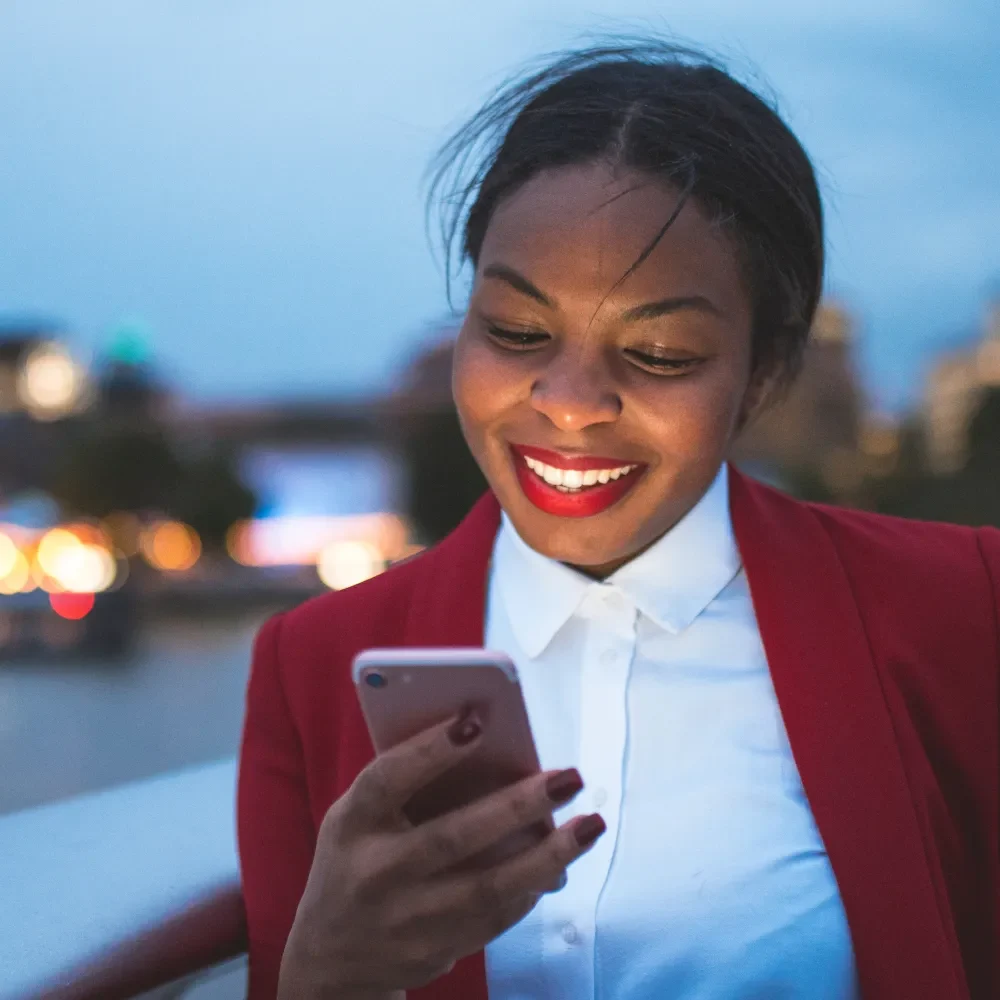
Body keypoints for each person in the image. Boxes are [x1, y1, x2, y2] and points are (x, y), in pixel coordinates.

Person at [237, 40, 999, 1000]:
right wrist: (325, 976)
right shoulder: (311, 666)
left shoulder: (966, 607)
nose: (569, 403)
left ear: (761, 374)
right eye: (516, 333)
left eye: (661, 352)